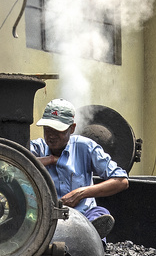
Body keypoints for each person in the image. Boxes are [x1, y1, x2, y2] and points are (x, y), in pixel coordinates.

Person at [30, 98, 129, 238]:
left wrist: (82, 193)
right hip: (46, 219)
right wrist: (50, 159)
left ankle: (90, 235)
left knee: (100, 213)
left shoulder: (86, 147)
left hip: (83, 217)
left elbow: (122, 181)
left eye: (57, 130)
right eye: (47, 129)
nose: (51, 135)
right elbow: (15, 161)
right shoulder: (36, 147)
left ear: (72, 128)